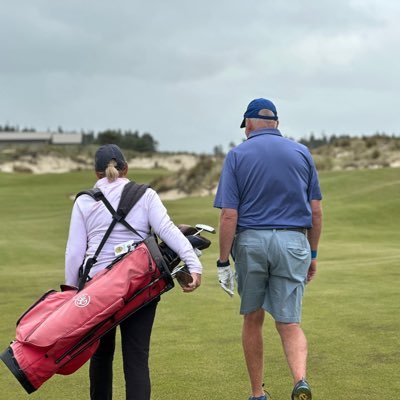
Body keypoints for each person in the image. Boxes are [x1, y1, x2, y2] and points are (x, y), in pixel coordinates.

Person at [65, 144, 202, 400]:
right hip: (140, 286)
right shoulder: (146, 195)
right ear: (126, 169)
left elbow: (74, 253)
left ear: (96, 174)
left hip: (97, 290)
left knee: (101, 357)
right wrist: (194, 265)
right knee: (137, 357)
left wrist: (72, 293)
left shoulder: (84, 200)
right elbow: (169, 231)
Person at [213, 98, 322, 400]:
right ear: (276, 122)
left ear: (248, 124)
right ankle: (300, 379)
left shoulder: (237, 155)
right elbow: (316, 211)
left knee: (253, 317)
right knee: (289, 321)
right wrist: (312, 255)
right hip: (293, 242)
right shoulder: (301, 152)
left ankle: (257, 393)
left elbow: (228, 215)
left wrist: (223, 262)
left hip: (251, 242)